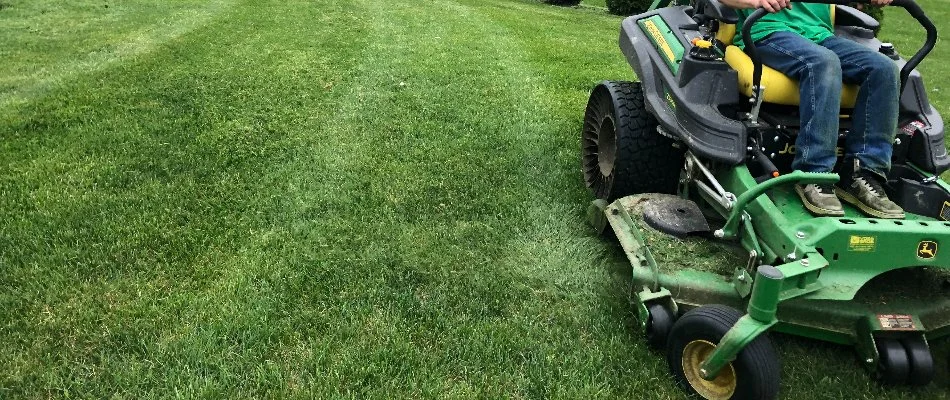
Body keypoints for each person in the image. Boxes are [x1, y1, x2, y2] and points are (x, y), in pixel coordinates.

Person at [721, 0, 905, 219]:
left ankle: (863, 174)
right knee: (823, 63)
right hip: (768, 31)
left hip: (819, 34)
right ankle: (814, 173)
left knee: (884, 69)